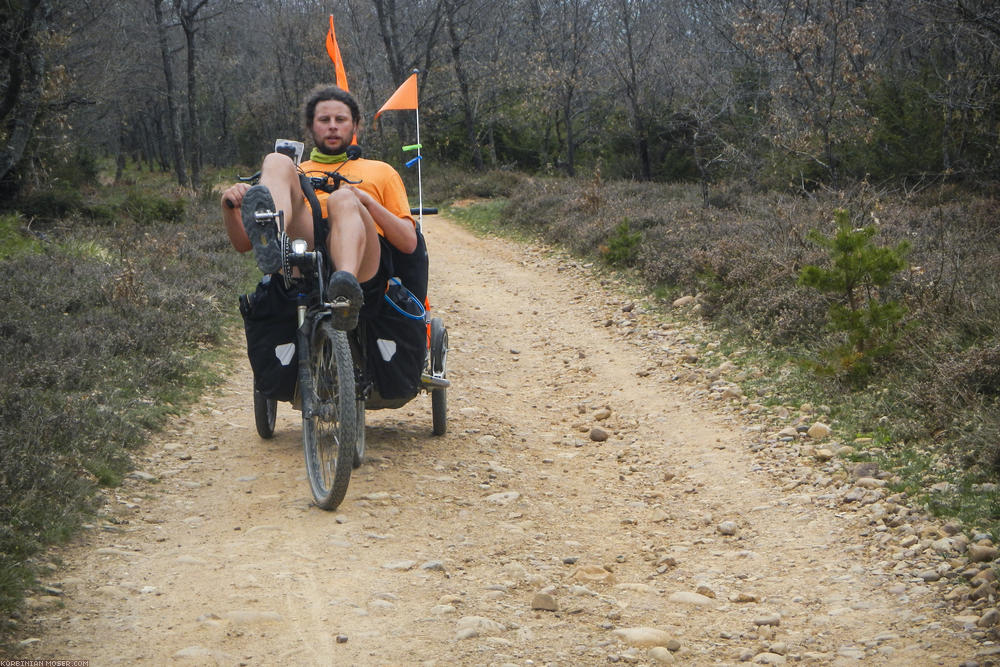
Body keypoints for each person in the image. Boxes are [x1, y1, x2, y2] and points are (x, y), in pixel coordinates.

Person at [221, 85, 417, 331]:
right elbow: (243, 245)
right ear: (311, 127)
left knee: (343, 199)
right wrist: (229, 207)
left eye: (341, 119)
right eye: (324, 120)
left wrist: (365, 201)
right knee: (276, 161)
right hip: (306, 249)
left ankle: (344, 288)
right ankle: (274, 234)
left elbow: (409, 242)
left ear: (355, 125)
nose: (332, 126)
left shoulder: (381, 171)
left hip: (362, 259)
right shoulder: (295, 171)